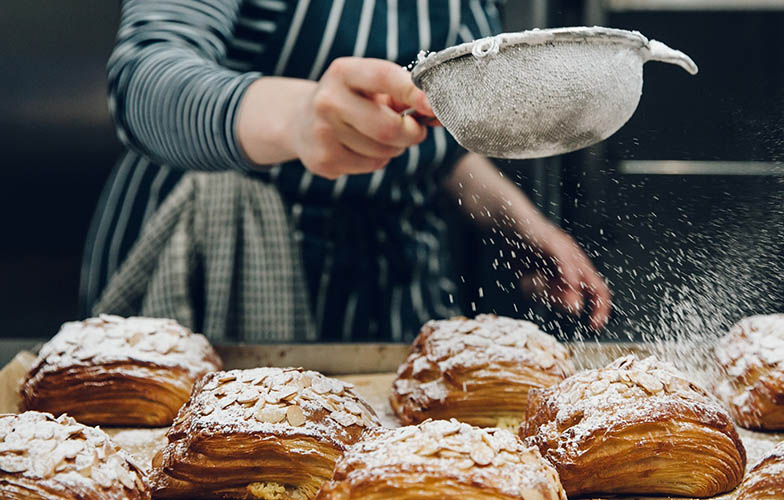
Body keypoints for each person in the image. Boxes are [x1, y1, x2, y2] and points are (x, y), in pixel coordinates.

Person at [80, 0, 611, 342]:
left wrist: (525, 227)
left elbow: (430, 142)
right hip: (217, 269)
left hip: (389, 291)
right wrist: (298, 117)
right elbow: (144, 77)